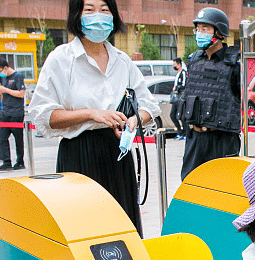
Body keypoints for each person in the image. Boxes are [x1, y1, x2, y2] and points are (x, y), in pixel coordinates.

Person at [30, 0, 159, 237]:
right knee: (83, 233)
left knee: (122, 231)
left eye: (104, 9)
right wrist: (91, 114)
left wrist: (132, 121)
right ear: (77, 15)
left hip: (118, 154)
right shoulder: (62, 58)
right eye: (89, 9)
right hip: (79, 155)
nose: (98, 16)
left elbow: (150, 106)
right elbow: (43, 116)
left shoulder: (122, 60)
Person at [179, 8, 241, 181]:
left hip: (222, 139)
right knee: (190, 186)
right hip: (195, 138)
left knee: (223, 189)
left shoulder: (235, 64)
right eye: (198, 29)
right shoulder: (193, 61)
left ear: (219, 32)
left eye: (205, 29)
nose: (200, 33)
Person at [0, 57, 26, 171]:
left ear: (5, 68)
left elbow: (21, 93)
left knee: (18, 139)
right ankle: (6, 161)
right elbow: (5, 94)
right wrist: (0, 91)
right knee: (2, 138)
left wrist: (5, 90)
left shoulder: (17, 77)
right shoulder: (4, 79)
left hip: (16, 113)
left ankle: (20, 161)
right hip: (5, 111)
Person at [169, 57, 187, 140]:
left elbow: (184, 85)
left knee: (182, 115)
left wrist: (176, 88)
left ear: (179, 64)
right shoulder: (177, 74)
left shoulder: (183, 73)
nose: (174, 66)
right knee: (173, 115)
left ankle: (186, 133)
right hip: (176, 98)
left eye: (174, 64)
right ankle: (179, 131)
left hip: (181, 97)